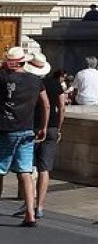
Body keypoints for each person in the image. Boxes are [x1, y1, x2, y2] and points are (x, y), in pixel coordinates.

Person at [0, 47, 50, 227]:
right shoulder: (36, 81)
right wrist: (42, 127)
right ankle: (30, 213)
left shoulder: (3, 78)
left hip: (5, 129)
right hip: (28, 130)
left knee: (0, 170)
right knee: (25, 172)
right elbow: (46, 105)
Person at [19, 61, 63, 222]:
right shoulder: (54, 83)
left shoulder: (30, 83)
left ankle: (28, 203)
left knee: (28, 168)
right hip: (51, 127)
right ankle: (40, 207)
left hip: (31, 127)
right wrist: (58, 127)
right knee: (45, 169)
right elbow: (61, 106)